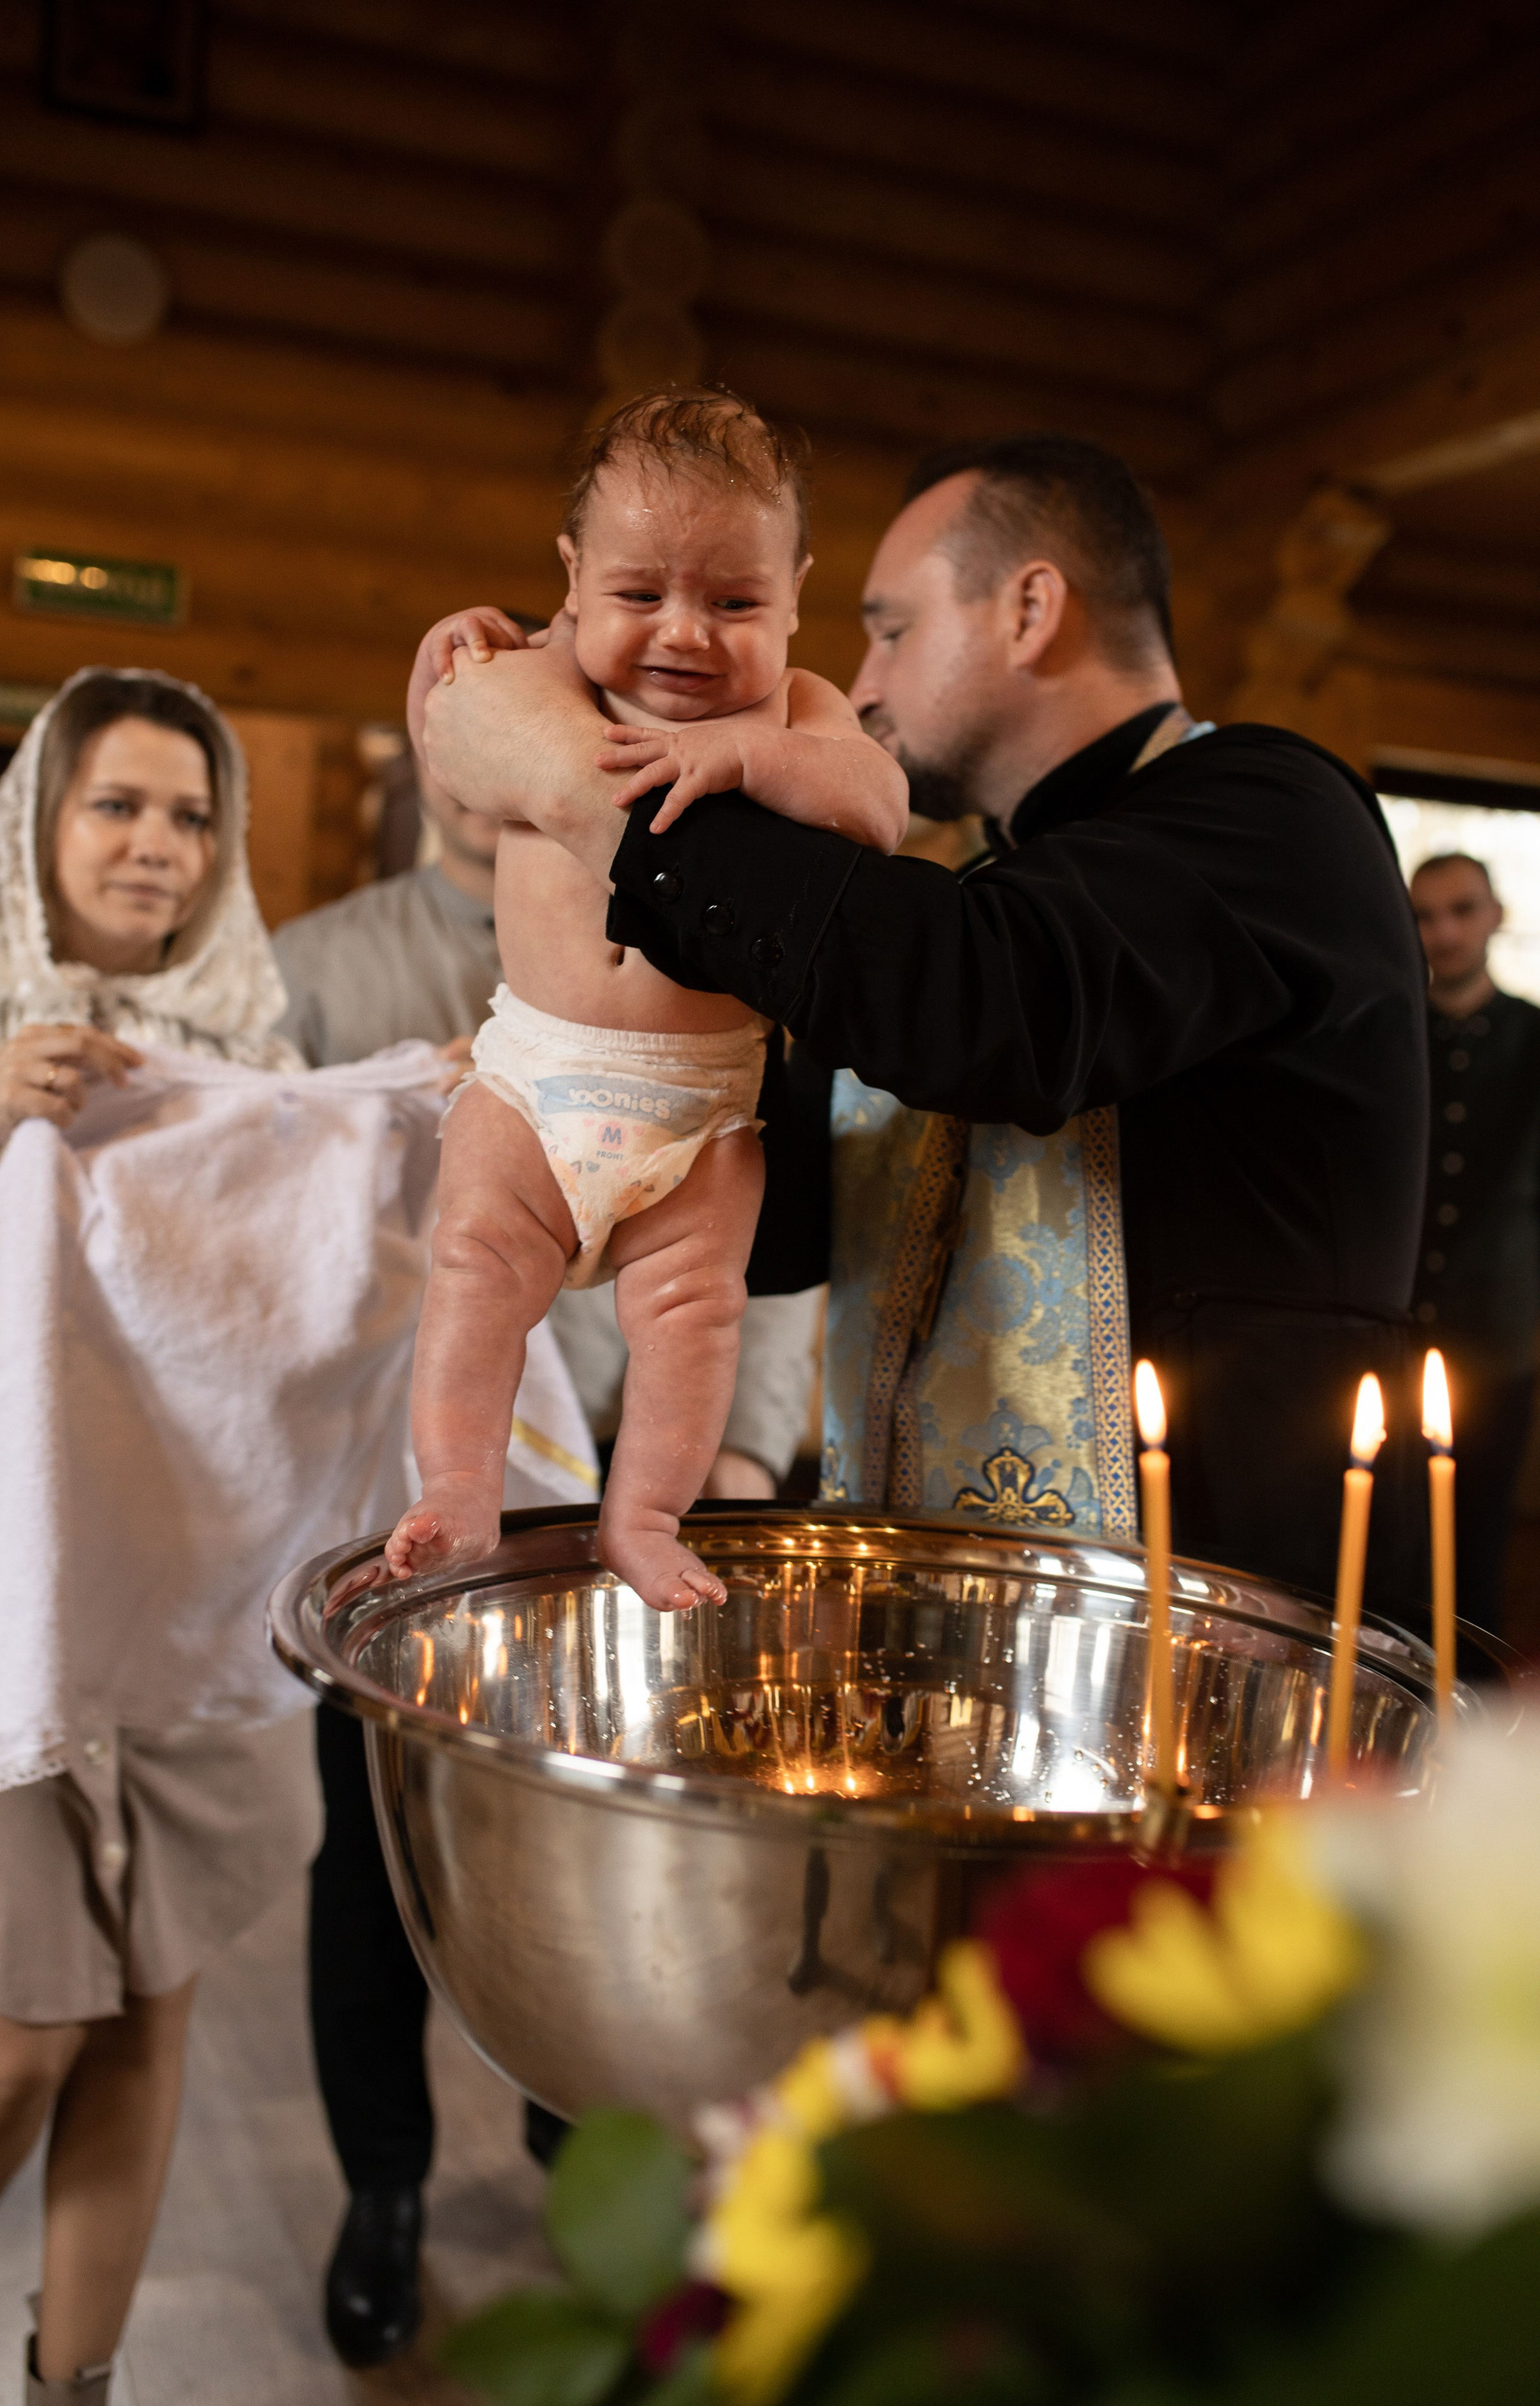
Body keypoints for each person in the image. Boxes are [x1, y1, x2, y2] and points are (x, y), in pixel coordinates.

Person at [412, 431, 1432, 1617]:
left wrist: (564, 771)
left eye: (891, 628)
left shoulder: (1270, 811)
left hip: (1218, 1627)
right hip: (948, 1630)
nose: (870, 681)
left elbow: (985, 1011)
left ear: (1031, 608)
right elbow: (795, 1218)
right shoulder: (984, 891)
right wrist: (590, 1103)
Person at [273, 720, 821, 2368]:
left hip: (639, 1496)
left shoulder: (704, 905)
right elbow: (270, 1226)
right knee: (369, 1874)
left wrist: (741, 1435)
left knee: (624, 1871)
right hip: (417, 1496)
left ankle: (597, 2185)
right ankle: (383, 2197)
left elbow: (772, 1197)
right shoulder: (325, 963)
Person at [0, 670, 342, 2406]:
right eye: (118, 806)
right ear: (41, 824)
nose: (159, 848)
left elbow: (314, 1329)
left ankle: (70, 2391)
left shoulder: (262, 1067)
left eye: (192, 815)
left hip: (192, 1606)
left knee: (147, 2010)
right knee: (15, 2037)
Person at [384, 390, 903, 1611]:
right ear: (570, 573)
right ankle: (458, 1484)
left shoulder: (794, 710)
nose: (684, 635)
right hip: (534, 1074)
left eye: (733, 603)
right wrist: (435, 667)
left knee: (692, 1318)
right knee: (471, 1267)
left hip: (702, 1110)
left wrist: (747, 759)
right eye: (638, 596)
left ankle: (647, 1513)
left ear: (795, 589)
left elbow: (874, 805)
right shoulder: (540, 674)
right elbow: (455, 763)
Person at [1408, 851, 1540, 1632]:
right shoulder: (1385, 1036)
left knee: (1475, 1555)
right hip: (1389, 1335)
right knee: (1380, 1541)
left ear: (1495, 915)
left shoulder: (1536, 1039)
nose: (1445, 932)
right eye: (1425, 916)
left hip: (1497, 1342)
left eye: (1461, 910)